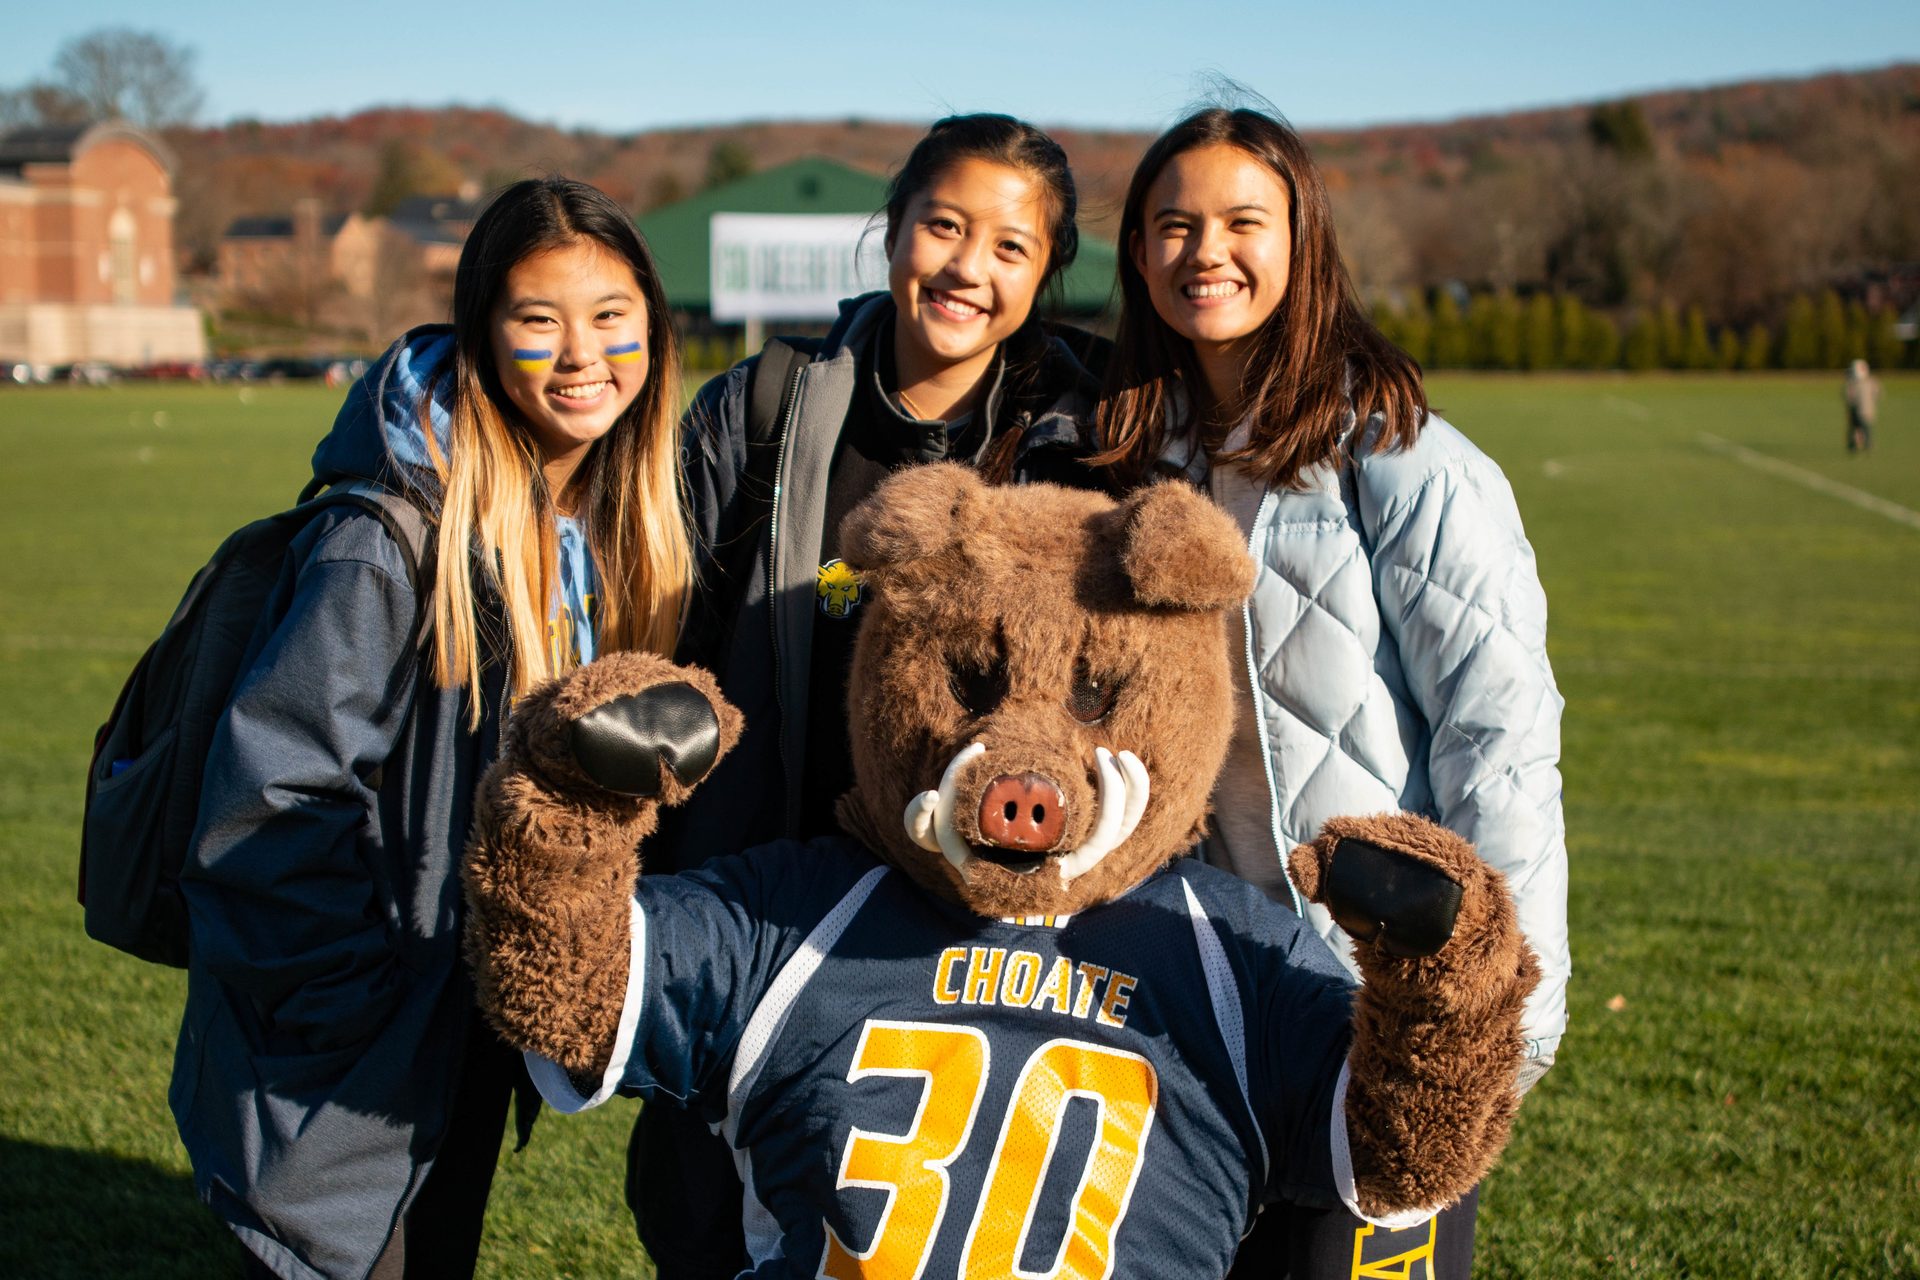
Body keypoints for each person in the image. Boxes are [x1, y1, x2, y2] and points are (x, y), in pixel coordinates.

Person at [170, 176, 690, 1280]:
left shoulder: (594, 524)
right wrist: (352, 1014)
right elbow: (265, 800)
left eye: (610, 318)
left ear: (653, 327)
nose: (582, 352)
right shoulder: (387, 533)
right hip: (356, 1046)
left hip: (455, 1034)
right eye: (538, 320)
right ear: (485, 336)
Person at [1093, 106, 1570, 1278]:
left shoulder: (1409, 459)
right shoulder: (1130, 458)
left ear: (1303, 240)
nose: (1206, 251)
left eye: (1243, 221)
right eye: (1173, 224)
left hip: (1365, 1009)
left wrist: (1493, 1018)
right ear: (1137, 253)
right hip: (1181, 1005)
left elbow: (1498, 742)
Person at [637, 112, 1111, 1280]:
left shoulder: (1084, 433)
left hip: (960, 922)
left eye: (1011, 246)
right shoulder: (769, 405)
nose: (968, 267)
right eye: (943, 226)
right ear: (892, 226)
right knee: (709, 1219)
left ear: (1047, 271)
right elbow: (661, 632)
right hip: (760, 895)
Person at [1845, 357, 1880, 452]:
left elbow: (1850, 398)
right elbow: (1878, 394)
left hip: (1859, 411)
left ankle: (1858, 445)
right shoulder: (1872, 381)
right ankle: (1864, 444)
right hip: (1868, 410)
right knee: (1865, 429)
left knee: (1858, 428)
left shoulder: (1853, 384)